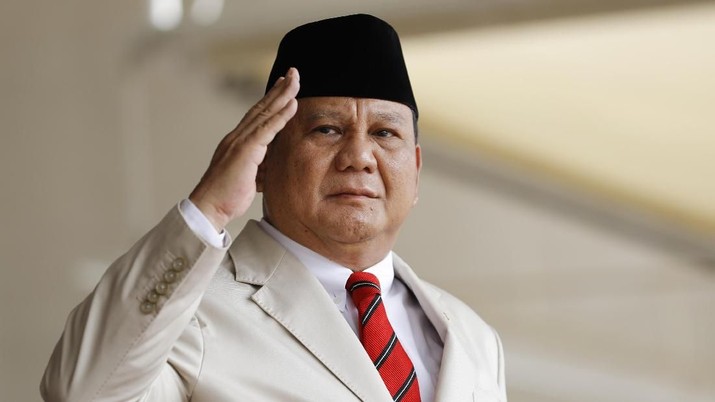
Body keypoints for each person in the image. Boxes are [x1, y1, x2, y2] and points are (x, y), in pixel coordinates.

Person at [41, 14, 506, 402]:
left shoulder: (473, 338)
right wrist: (210, 206)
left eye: (385, 133)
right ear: (262, 157)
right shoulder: (190, 316)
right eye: (327, 129)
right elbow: (82, 391)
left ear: (417, 170)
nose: (360, 156)